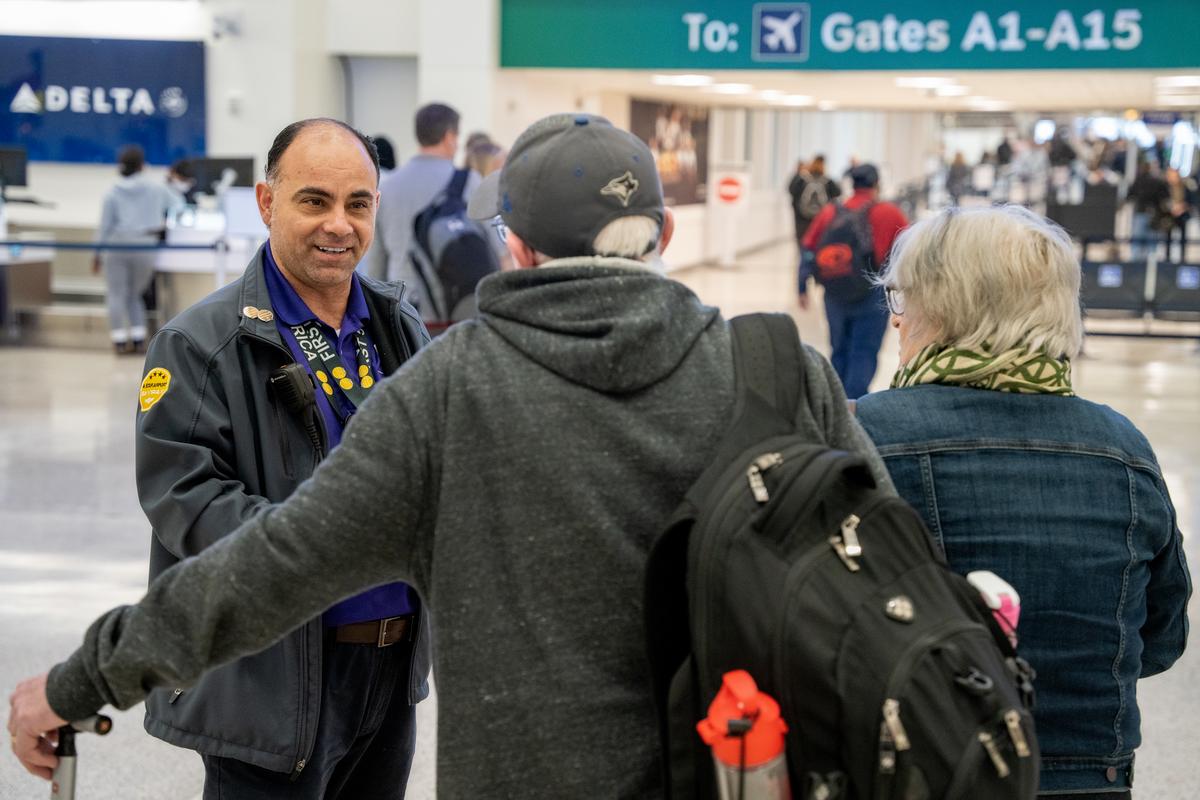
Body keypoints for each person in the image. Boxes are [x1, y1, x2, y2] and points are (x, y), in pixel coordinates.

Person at [8, 112, 890, 798]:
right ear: (664, 233)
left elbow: (266, 570)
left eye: (357, 202)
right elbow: (894, 562)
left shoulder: (452, 387)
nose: (340, 225)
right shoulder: (782, 370)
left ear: (513, 243)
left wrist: (84, 678)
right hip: (743, 762)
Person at [112, 119, 433, 798]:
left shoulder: (396, 327)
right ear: (266, 202)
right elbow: (190, 505)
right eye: (314, 201)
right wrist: (325, 548)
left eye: (357, 204)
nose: (338, 225)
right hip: (274, 683)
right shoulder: (201, 345)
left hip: (389, 670)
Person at [856, 205, 1191, 800]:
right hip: (1089, 778)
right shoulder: (1124, 450)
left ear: (937, 308)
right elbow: (1159, 640)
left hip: (910, 769)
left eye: (902, 302)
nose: (897, 323)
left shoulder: (860, 437)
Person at [798, 162, 908, 399]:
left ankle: (836, 405)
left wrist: (801, 286)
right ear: (876, 184)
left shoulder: (830, 212)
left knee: (839, 350)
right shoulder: (888, 212)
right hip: (871, 294)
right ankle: (854, 407)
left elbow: (808, 248)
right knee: (864, 352)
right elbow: (911, 251)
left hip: (834, 293)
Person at [362, 103, 478, 305]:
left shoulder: (387, 188)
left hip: (403, 309)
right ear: (449, 136)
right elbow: (498, 252)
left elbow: (376, 266)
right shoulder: (468, 182)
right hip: (457, 308)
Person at [94, 145, 181, 354]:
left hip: (117, 245)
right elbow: (178, 203)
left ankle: (119, 341)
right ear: (142, 165)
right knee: (135, 294)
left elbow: (105, 226)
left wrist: (96, 253)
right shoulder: (156, 189)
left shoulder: (112, 193)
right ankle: (139, 338)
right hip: (146, 245)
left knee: (116, 294)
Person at [787, 155, 840, 247]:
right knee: (819, 242)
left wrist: (799, 174)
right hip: (821, 217)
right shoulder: (827, 181)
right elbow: (838, 192)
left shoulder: (802, 179)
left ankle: (804, 259)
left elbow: (791, 190)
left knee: (803, 242)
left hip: (802, 218)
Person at [1127, 160, 1169, 260]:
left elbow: (1129, 197)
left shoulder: (1138, 181)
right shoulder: (1159, 182)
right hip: (1154, 216)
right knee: (1152, 248)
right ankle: (1150, 271)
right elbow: (1165, 198)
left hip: (1140, 214)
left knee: (1136, 246)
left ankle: (1135, 271)